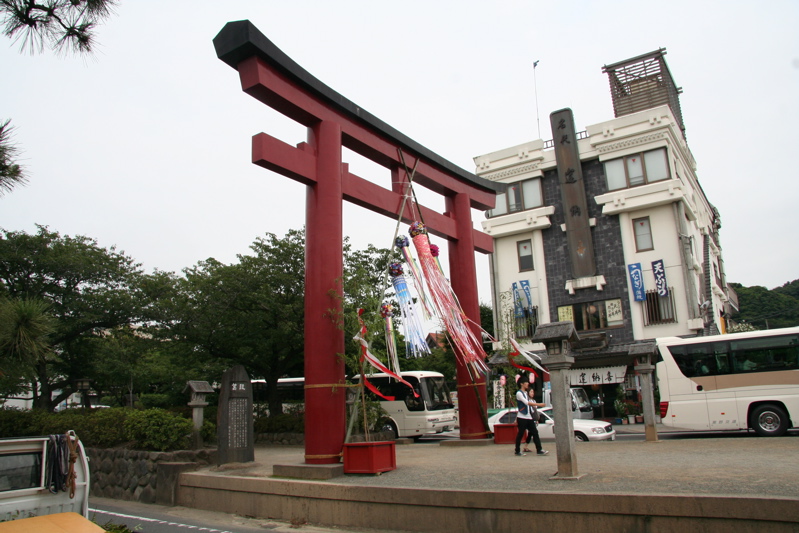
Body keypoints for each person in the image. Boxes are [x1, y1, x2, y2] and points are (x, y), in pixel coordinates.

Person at [514, 375, 548, 457]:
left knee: (535, 432)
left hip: (529, 417)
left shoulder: (526, 393)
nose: (527, 384)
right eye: (526, 383)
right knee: (521, 434)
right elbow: (527, 403)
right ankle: (517, 450)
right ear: (522, 384)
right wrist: (539, 404)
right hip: (522, 417)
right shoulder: (519, 393)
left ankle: (539, 449)